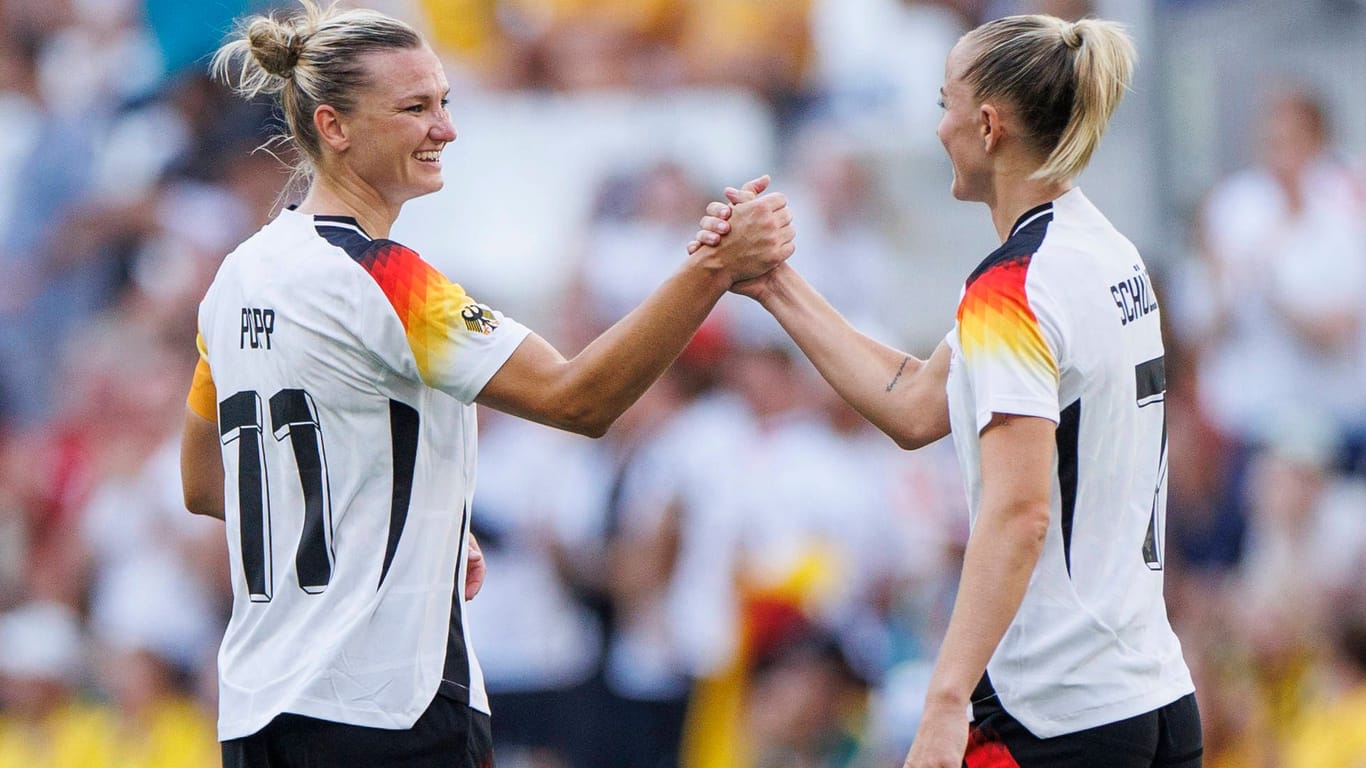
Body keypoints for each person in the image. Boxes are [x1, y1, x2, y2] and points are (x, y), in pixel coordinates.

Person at [178, 2, 795, 766]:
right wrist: (713, 268)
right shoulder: (382, 276)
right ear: (334, 126)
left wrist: (410, 519)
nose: (446, 128)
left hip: (258, 709)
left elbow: (209, 484)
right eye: (415, 107)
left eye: (444, 101)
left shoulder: (235, 279)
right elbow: (579, 397)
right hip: (389, 710)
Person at [692, 13, 1201, 768]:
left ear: (989, 125)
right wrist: (772, 283)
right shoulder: (1106, 251)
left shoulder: (1014, 289)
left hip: (1053, 716)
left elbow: (1019, 513)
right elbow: (919, 402)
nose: (938, 130)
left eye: (943, 105)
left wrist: (943, 700)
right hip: (1152, 699)